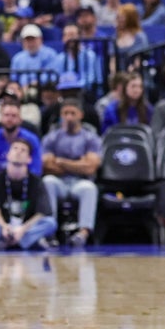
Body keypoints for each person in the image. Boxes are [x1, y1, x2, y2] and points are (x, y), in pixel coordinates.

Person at [41, 98, 101, 247]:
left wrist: (61, 162)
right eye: (65, 113)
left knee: (90, 188)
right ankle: (49, 232)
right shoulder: (52, 137)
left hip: (80, 182)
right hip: (59, 182)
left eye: (72, 113)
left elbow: (90, 168)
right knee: (47, 181)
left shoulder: (90, 138)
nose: (69, 117)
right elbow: (46, 166)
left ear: (80, 115)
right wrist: (79, 163)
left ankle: (83, 233)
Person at [0, 138, 57, 250]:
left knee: (50, 223)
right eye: (15, 148)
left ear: (29, 159)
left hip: (27, 226)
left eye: (23, 150)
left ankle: (5, 242)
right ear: (8, 155)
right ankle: (29, 241)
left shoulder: (36, 182)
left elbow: (41, 213)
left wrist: (23, 229)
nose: (18, 152)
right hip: (5, 226)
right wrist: (4, 227)